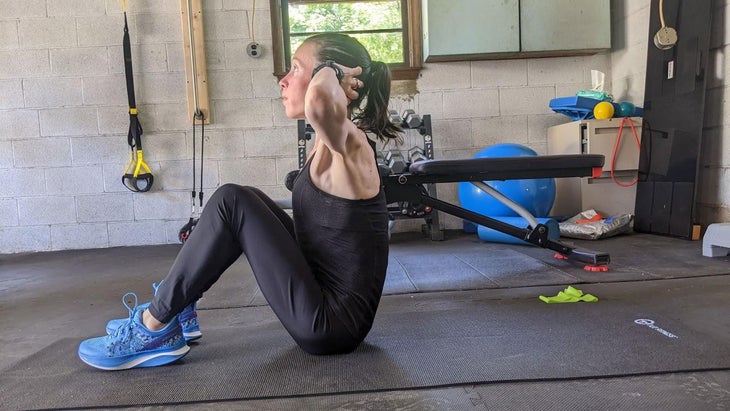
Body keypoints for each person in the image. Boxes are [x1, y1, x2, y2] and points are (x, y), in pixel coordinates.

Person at [77, 33, 402, 370]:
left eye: (296, 69)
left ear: (332, 78)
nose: (284, 81)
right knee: (246, 198)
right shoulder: (328, 142)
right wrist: (325, 70)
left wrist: (330, 71)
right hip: (321, 306)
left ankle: (153, 325)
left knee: (233, 201)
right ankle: (178, 306)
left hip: (329, 326)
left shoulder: (350, 144)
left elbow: (320, 104)